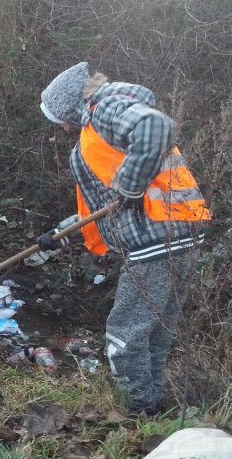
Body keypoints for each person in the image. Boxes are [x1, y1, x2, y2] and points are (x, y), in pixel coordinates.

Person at [37, 62, 211, 414]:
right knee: (155, 332)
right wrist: (60, 235)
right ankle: (153, 407)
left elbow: (155, 126)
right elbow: (105, 208)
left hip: (156, 239)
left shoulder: (103, 110)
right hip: (179, 234)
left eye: (59, 121)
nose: (62, 128)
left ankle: (136, 411)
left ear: (69, 108)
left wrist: (129, 186)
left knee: (125, 332)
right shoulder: (97, 134)